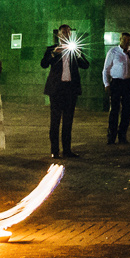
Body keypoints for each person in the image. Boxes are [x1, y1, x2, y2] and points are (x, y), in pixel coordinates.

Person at [41, 25, 91, 159]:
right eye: (64, 33)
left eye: (68, 33)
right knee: (55, 121)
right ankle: (55, 150)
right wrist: (53, 54)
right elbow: (44, 64)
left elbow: (85, 65)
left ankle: (67, 150)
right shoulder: (52, 48)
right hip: (56, 89)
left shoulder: (75, 48)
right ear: (58, 35)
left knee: (68, 121)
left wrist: (78, 54)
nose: (67, 35)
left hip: (71, 89)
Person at [104, 31, 130, 145]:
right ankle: (111, 135)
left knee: (126, 110)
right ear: (120, 39)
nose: (126, 42)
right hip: (116, 82)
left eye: (128, 40)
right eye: (124, 39)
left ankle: (122, 135)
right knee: (114, 109)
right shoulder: (113, 52)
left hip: (128, 82)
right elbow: (106, 69)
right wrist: (106, 84)